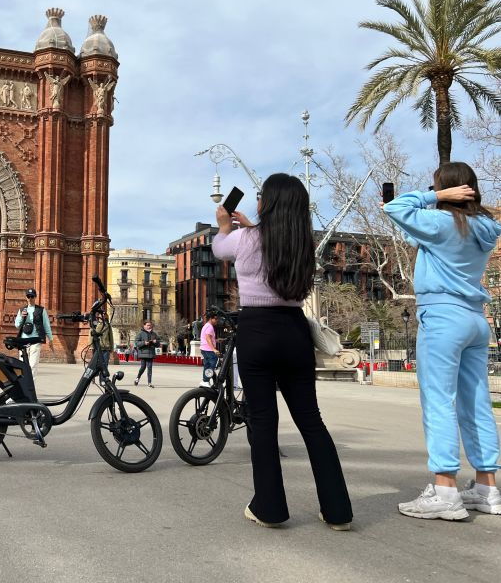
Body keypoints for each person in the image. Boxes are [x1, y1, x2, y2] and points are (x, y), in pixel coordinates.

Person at [212, 173, 352, 530]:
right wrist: (251, 226)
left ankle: (270, 507)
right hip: (294, 332)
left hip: (257, 331)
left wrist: (225, 224)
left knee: (263, 421)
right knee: (311, 420)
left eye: (261, 195)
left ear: (268, 203)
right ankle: (337, 511)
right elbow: (274, 239)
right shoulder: (303, 243)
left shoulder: (244, 239)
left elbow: (219, 248)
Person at [384, 163, 501, 520]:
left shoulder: (440, 223)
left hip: (442, 320)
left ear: (449, 189)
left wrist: (435, 197)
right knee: (477, 402)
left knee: (439, 402)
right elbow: (413, 230)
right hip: (474, 320)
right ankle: (487, 487)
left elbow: (396, 208)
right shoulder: (485, 227)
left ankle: (445, 488)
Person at [13, 287, 53, 375]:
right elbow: (17, 325)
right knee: (23, 365)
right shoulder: (22, 310)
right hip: (23, 341)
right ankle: (24, 386)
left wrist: (50, 339)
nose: (30, 298)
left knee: (33, 365)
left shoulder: (41, 310)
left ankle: (31, 387)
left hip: (35, 341)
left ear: (35, 297)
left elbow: (46, 325)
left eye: (32, 296)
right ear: (26, 297)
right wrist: (22, 317)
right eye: (28, 296)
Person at [134, 321, 158, 387]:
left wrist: (155, 342)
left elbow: (158, 344)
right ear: (144, 326)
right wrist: (144, 343)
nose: (149, 326)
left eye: (150, 325)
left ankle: (149, 383)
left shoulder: (154, 334)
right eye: (147, 325)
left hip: (150, 353)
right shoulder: (140, 334)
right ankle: (137, 378)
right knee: (143, 367)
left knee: (149, 367)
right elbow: (136, 343)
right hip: (143, 353)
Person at [200, 311, 220, 387]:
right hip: (208, 349)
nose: (217, 320)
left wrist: (216, 340)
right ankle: (205, 380)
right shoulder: (210, 327)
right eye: (215, 319)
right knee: (211, 365)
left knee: (207, 365)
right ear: (211, 319)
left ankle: (205, 380)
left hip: (204, 349)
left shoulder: (206, 325)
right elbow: (208, 338)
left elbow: (209, 338)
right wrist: (214, 349)